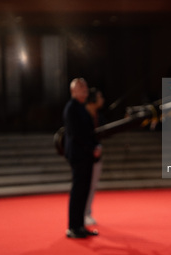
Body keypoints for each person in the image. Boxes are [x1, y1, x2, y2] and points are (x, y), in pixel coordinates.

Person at [63, 78, 102, 238]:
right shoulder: (72, 108)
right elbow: (77, 133)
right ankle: (73, 227)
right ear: (73, 91)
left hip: (85, 154)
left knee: (84, 190)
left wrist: (95, 145)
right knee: (78, 191)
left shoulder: (81, 107)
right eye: (81, 87)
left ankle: (79, 225)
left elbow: (88, 131)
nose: (85, 90)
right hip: (79, 155)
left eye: (86, 87)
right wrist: (91, 147)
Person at [84, 87, 105, 225]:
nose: (102, 100)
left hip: (96, 155)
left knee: (92, 185)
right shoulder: (84, 115)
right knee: (85, 185)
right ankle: (84, 213)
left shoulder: (98, 116)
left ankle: (87, 212)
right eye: (99, 97)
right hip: (85, 155)